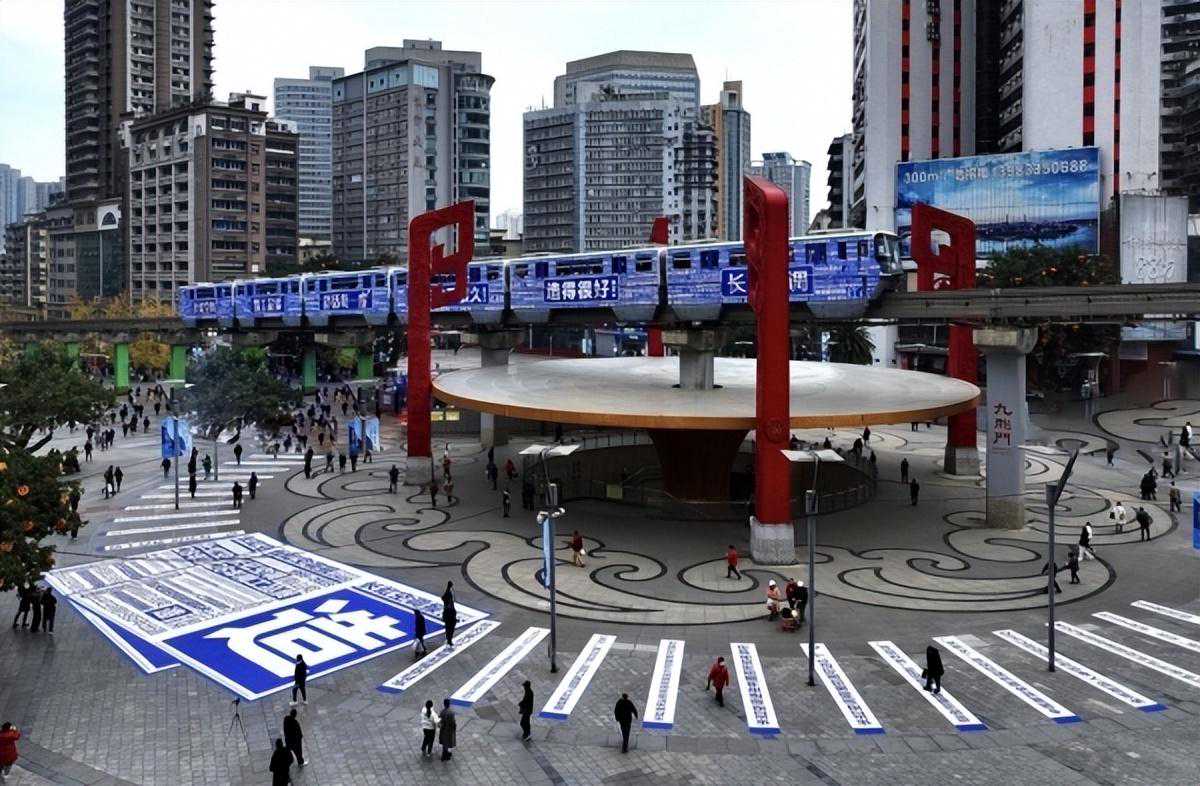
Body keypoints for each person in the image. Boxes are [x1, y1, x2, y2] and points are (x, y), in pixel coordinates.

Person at [442, 582, 457, 647]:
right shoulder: (448, 607)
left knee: (449, 629)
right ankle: (449, 640)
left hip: (450, 617)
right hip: (450, 618)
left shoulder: (448, 592)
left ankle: (449, 639)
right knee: (449, 629)